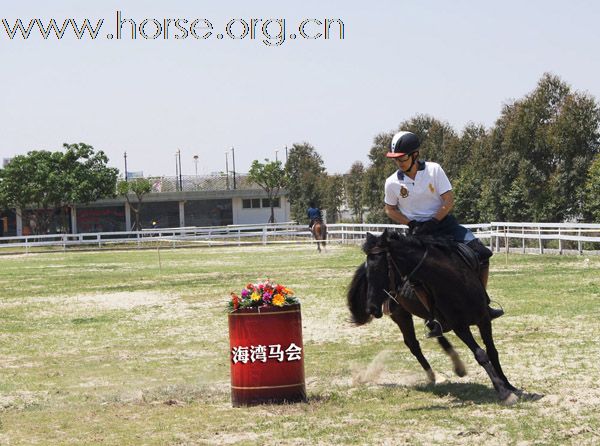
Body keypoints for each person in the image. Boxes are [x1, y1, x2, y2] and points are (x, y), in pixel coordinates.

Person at [384, 130, 504, 338]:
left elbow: (449, 200)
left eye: (402, 158)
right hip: (417, 232)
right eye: (395, 159)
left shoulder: (434, 170)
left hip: (443, 224)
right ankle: (434, 317)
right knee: (414, 276)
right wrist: (410, 223)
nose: (399, 163)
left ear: (415, 155)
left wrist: (434, 221)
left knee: (482, 254)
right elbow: (390, 209)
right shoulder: (392, 182)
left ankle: (483, 302)